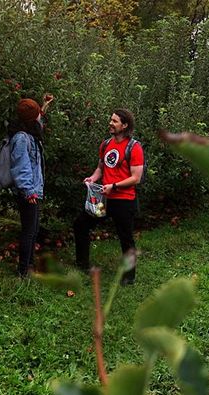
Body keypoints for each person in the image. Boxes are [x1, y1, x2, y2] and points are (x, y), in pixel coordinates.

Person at [74, 109, 143, 285]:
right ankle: (82, 264)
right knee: (81, 224)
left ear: (125, 125)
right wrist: (93, 178)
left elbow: (136, 177)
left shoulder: (134, 147)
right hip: (103, 199)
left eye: (115, 121)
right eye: (110, 120)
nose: (110, 123)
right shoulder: (106, 144)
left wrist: (114, 186)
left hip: (123, 200)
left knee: (125, 238)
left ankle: (129, 276)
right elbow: (101, 168)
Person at [10, 94, 54, 277]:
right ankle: (23, 271)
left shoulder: (29, 133)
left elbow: (38, 119)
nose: (39, 116)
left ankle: (29, 266)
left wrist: (44, 106)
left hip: (34, 189)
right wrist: (29, 192)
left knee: (34, 229)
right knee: (29, 231)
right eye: (37, 113)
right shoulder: (22, 138)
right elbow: (21, 167)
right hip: (29, 191)